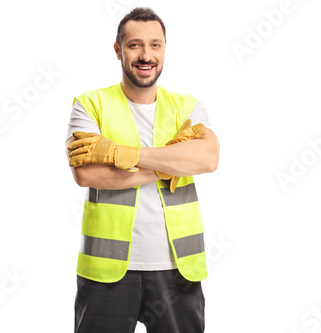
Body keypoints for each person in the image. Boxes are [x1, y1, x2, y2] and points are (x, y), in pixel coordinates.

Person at [65, 7, 220, 333]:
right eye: (134, 45)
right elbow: (87, 175)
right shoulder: (90, 104)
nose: (145, 54)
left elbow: (207, 159)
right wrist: (170, 163)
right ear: (118, 50)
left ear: (164, 49)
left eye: (155, 45)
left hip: (178, 270)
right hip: (106, 273)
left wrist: (122, 154)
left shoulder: (187, 107)